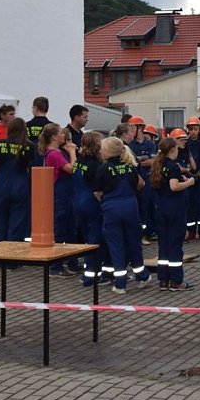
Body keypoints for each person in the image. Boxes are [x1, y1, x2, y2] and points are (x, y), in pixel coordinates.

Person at [95, 137, 152, 294]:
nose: (100, 151)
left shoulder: (103, 169)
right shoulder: (129, 167)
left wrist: (106, 202)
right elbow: (141, 184)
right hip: (131, 207)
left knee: (116, 245)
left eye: (102, 149)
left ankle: (120, 284)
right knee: (134, 242)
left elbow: (97, 192)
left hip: (112, 209)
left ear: (109, 151)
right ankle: (142, 275)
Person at [150, 137, 195, 291]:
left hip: (161, 208)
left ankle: (163, 279)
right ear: (172, 150)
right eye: (177, 149)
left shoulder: (158, 165)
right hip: (175, 209)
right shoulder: (173, 166)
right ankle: (176, 281)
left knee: (164, 245)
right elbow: (174, 187)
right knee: (175, 245)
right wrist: (189, 182)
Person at [39, 123, 78, 277]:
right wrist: (73, 152)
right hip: (60, 196)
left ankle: (72, 262)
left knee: (70, 229)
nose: (64, 135)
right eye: (61, 133)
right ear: (54, 137)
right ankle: (56, 266)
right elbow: (72, 169)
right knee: (60, 230)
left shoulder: (56, 152)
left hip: (66, 195)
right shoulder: (54, 154)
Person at [72, 131, 109, 287]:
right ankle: (91, 276)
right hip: (92, 204)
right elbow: (98, 189)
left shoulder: (79, 161)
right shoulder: (96, 165)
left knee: (88, 239)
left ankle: (92, 273)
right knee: (95, 240)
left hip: (78, 203)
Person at [0, 117, 33, 242]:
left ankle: (2, 258)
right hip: (21, 186)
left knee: (1, 225)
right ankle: (14, 258)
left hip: (1, 186)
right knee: (17, 225)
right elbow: (32, 169)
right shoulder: (29, 146)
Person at [128, 116, 156, 241]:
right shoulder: (130, 145)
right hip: (135, 180)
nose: (131, 130)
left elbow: (152, 161)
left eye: (133, 127)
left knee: (149, 207)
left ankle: (149, 232)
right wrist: (142, 160)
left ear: (140, 128)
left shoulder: (149, 144)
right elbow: (132, 162)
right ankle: (141, 234)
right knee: (140, 208)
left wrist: (139, 160)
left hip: (148, 180)